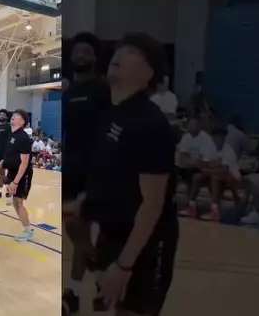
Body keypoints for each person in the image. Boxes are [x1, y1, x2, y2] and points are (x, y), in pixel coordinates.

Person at [65, 33, 178, 316]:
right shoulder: (110, 116)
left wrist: (124, 265)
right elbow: (113, 178)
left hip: (145, 246)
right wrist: (83, 203)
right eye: (120, 49)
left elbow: (153, 206)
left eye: (133, 53)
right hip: (112, 234)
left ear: (149, 74)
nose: (120, 54)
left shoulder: (150, 123)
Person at [62, 32, 111, 314]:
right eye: (77, 51)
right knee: (75, 231)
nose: (81, 55)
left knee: (86, 229)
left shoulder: (103, 89)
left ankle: (74, 292)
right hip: (71, 169)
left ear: (94, 57)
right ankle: (104, 274)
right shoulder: (67, 95)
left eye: (86, 51)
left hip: (96, 171)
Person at [0, 109, 34, 240]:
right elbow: (11, 154)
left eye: (17, 116)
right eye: (13, 115)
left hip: (22, 174)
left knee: (18, 202)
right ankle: (26, 228)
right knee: (16, 203)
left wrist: (15, 182)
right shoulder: (12, 135)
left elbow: (24, 163)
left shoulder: (24, 138)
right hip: (12, 171)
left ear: (22, 122)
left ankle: (28, 231)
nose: (13, 116)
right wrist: (2, 163)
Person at [187, 128, 241, 221]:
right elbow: (205, 164)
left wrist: (208, 168)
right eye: (216, 137)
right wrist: (206, 165)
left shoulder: (229, 150)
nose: (218, 140)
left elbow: (224, 169)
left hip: (233, 177)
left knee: (214, 177)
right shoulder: (210, 148)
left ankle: (214, 210)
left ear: (224, 138)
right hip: (216, 174)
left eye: (220, 138)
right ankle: (191, 206)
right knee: (196, 177)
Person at [177, 117, 217, 217]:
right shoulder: (186, 137)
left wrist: (191, 161)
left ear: (199, 126)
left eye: (194, 124)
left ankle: (191, 206)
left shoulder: (205, 139)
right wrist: (194, 162)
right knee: (172, 172)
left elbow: (204, 163)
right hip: (190, 167)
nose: (191, 126)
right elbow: (182, 160)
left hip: (208, 169)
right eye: (190, 124)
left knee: (195, 177)